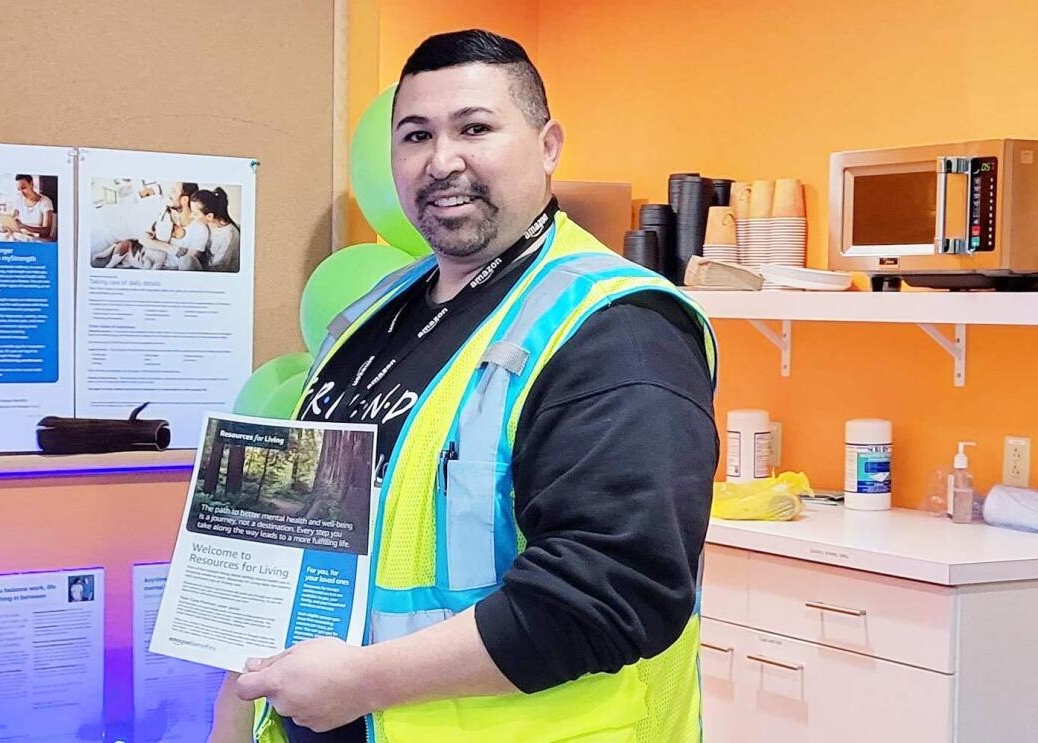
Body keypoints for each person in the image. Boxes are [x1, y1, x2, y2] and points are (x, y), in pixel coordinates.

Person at [212, 29, 719, 743]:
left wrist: (361, 681)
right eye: (415, 135)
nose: (441, 160)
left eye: (474, 128)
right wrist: (234, 714)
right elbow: (276, 536)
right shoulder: (367, 319)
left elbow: (612, 592)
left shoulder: (616, 329)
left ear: (547, 146)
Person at [191, 187, 241, 273]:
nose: (191, 216)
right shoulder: (207, 224)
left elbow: (219, 268)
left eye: (195, 214)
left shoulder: (229, 236)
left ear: (209, 216)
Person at [9, 174, 55, 240]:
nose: (21, 193)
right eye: (19, 189)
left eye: (24, 188)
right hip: (22, 237)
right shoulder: (18, 200)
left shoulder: (45, 202)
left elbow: (46, 232)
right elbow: (11, 220)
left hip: (39, 240)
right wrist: (6, 226)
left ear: (32, 184)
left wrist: (24, 226)